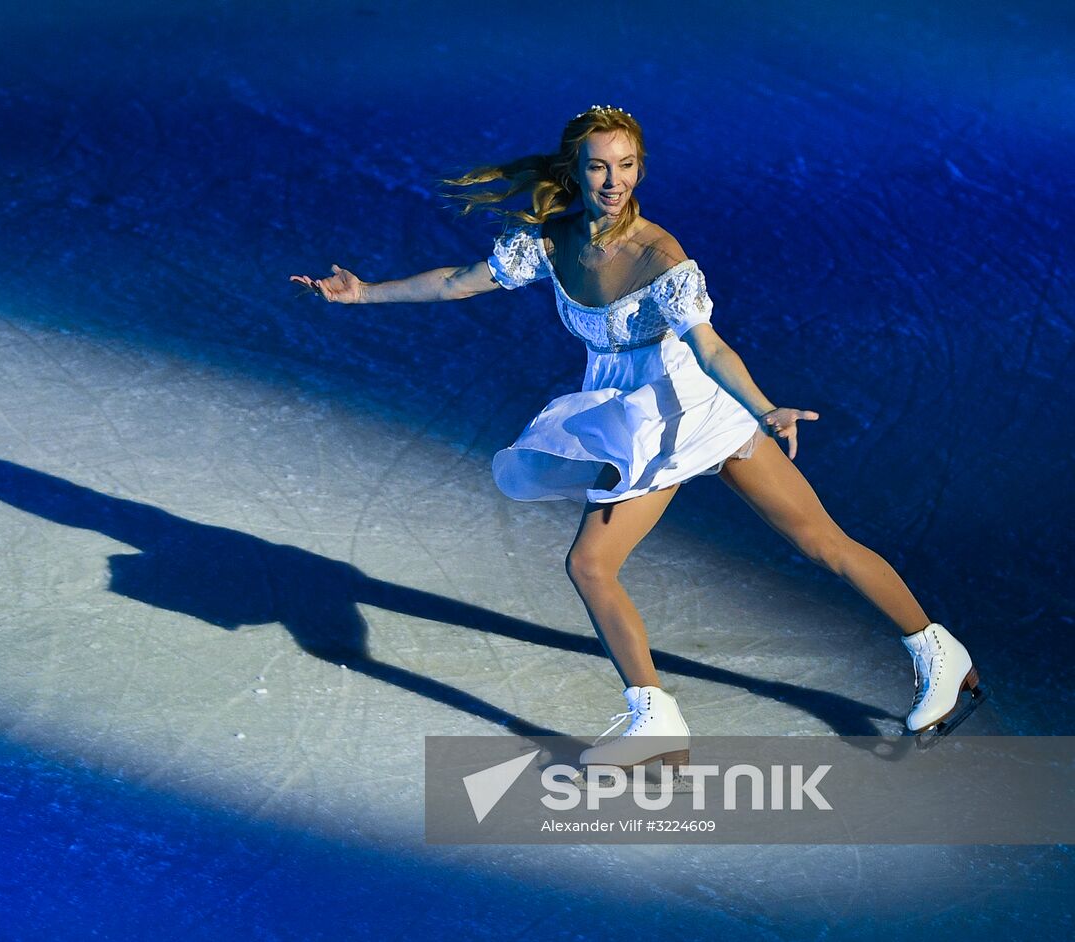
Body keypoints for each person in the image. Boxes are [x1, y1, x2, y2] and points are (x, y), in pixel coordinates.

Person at [289, 105, 985, 771]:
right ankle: (659, 716)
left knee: (801, 544)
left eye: (626, 166)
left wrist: (765, 408)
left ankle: (933, 656)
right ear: (577, 170)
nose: (613, 181)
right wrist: (364, 293)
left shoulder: (661, 257)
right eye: (598, 167)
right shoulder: (552, 241)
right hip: (632, 413)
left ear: (641, 170)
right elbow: (459, 282)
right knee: (605, 564)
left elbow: (709, 349)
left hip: (686, 410)